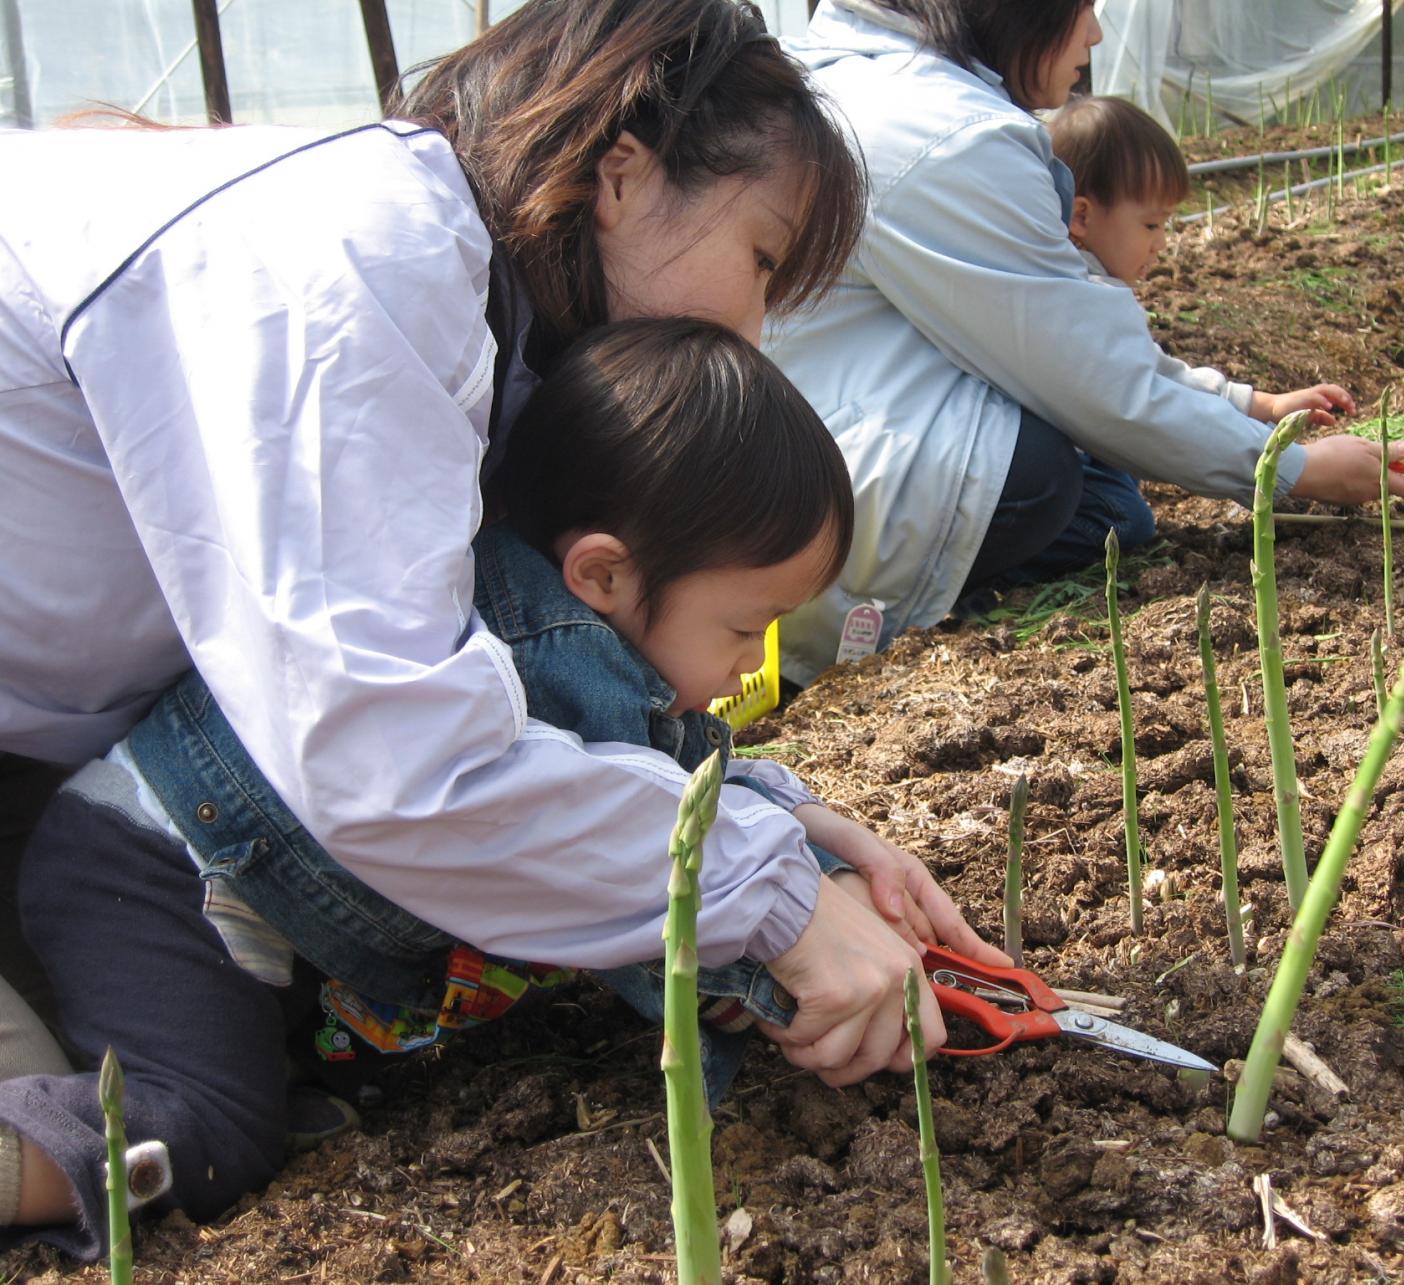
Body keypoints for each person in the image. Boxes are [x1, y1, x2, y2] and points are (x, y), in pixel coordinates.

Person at [0, 0, 984, 1221]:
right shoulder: (370, 248)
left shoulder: (480, 332)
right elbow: (389, 756)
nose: (753, 328)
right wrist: (768, 902)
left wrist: (775, 817)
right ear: (624, 172)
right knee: (194, 1111)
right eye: (764, 262)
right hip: (101, 812)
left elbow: (517, 711)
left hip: (75, 774)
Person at [763, 0, 1404, 683]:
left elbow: (1084, 358)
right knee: (1041, 472)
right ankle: (882, 616)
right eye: (1080, 9)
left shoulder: (856, 79)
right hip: (827, 506)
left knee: (1099, 481)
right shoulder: (944, 134)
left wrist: (1247, 408)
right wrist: (1295, 472)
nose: (1096, 33)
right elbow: (1098, 381)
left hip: (806, 449)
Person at [1048, 94, 1356, 426]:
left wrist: (1266, 404)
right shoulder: (1095, 303)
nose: (1161, 243)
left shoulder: (1050, 278)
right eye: (1151, 225)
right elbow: (1164, 387)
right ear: (1081, 215)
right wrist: (1268, 411)